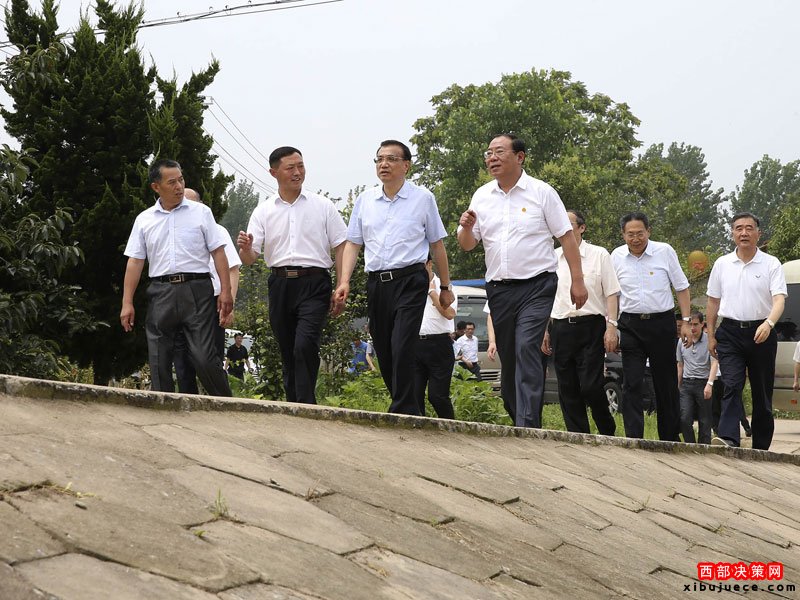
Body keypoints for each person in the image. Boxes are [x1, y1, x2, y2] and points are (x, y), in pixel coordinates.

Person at [457, 133, 587, 428]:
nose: (492, 158)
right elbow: (467, 244)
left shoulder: (542, 192)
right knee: (510, 356)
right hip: (499, 289)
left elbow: (566, 237)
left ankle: (527, 424)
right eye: (488, 153)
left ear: (520, 157)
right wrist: (464, 228)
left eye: (499, 152)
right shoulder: (481, 196)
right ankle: (520, 415)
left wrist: (577, 281)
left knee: (527, 346)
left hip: (537, 286)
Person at [333, 140, 454, 416]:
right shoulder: (365, 200)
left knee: (402, 344)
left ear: (406, 165)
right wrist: (344, 281)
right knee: (384, 348)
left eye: (390, 159)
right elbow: (353, 243)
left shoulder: (423, 198)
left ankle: (403, 409)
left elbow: (437, 245)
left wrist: (445, 286)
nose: (383, 164)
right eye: (379, 159)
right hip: (377, 282)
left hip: (411, 279)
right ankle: (408, 406)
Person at [238, 146, 347, 404]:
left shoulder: (323, 206)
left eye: (301, 166)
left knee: (304, 344)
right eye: (290, 168)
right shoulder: (263, 211)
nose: (297, 172)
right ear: (274, 172)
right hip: (280, 284)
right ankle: (294, 404)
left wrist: (342, 283)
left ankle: (306, 405)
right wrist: (245, 248)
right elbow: (250, 258)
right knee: (288, 349)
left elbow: (342, 244)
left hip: (315, 283)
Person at [120, 159, 232, 397]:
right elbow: (135, 262)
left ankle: (227, 405)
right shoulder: (144, 220)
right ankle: (162, 408)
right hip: (161, 292)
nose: (179, 186)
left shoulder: (202, 213)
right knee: (158, 357)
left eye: (181, 180)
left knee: (204, 357)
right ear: (156, 187)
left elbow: (218, 252)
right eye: (172, 182)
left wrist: (225, 291)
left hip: (197, 290)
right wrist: (127, 302)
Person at [707, 212, 787, 450]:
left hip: (762, 332)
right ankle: (728, 438)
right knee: (731, 384)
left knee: (762, 392)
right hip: (730, 332)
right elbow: (713, 302)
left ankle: (761, 446)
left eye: (749, 228)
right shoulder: (722, 264)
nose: (744, 233)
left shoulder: (771, 263)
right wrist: (710, 335)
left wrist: (769, 323)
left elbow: (779, 300)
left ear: (758, 234)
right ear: (732, 233)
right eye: (739, 228)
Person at [610, 211, 691, 441]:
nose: (635, 239)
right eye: (630, 234)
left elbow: (681, 287)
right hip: (630, 325)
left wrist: (685, 321)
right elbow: (612, 294)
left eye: (640, 233)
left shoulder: (664, 251)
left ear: (648, 231)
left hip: (661, 324)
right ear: (623, 234)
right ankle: (634, 437)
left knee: (665, 383)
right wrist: (611, 326)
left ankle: (669, 438)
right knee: (632, 382)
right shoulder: (616, 256)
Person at [541, 209, 619, 436]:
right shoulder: (552, 257)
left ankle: (607, 430)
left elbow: (612, 293)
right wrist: (545, 330)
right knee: (567, 387)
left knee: (591, 386)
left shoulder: (599, 254)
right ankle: (578, 435)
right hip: (560, 326)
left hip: (591, 325)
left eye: (569, 225)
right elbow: (546, 297)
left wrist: (612, 326)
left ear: (582, 228)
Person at [174, 187, 242, 394]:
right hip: (180, 301)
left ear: (201, 206)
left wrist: (229, 305)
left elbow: (233, 269)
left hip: (212, 302)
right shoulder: (171, 230)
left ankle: (222, 402)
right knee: (182, 360)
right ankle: (187, 402)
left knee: (211, 359)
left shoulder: (217, 231)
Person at [414, 256, 458, 418]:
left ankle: (450, 426)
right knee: (414, 395)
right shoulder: (411, 288)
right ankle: (417, 429)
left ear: (429, 264)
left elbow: (450, 314)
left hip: (439, 345)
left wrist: (433, 293)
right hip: (415, 344)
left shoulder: (445, 287)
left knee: (437, 396)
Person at [676, 311, 717, 444]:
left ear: (702, 324)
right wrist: (678, 386)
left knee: (705, 420)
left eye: (695, 324)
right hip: (687, 383)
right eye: (690, 325)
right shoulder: (682, 341)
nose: (692, 328)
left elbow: (714, 363)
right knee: (685, 417)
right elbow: (680, 365)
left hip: (703, 382)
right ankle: (690, 444)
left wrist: (710, 384)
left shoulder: (708, 341)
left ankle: (704, 447)